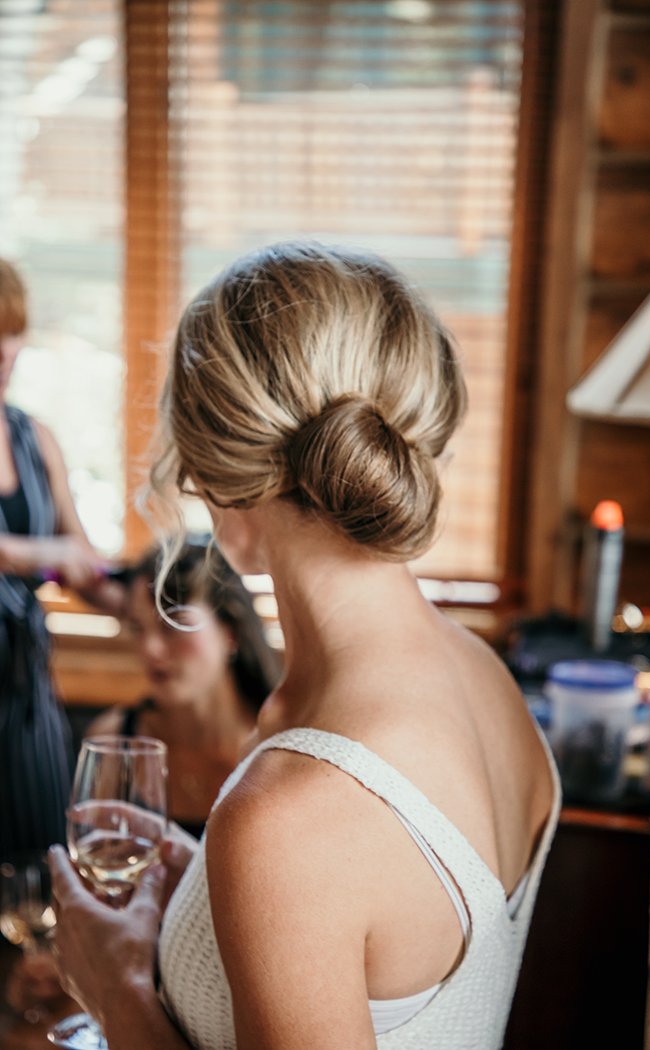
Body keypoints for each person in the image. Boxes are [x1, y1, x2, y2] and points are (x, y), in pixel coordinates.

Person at [49, 242, 561, 1050]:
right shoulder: (482, 675)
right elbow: (393, 941)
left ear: (220, 479)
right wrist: (206, 891)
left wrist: (112, 990)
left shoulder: (294, 813)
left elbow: (326, 854)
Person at [0, 258, 123, 860]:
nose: (4, 351)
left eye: (12, 331)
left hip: (27, 699)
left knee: (42, 874)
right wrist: (44, 553)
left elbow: (82, 561)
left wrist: (143, 604)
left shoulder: (35, 438)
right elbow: (50, 553)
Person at [88, 541, 280, 837]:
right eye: (138, 628)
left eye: (173, 624)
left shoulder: (279, 748)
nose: (150, 649)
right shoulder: (112, 741)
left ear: (230, 632)